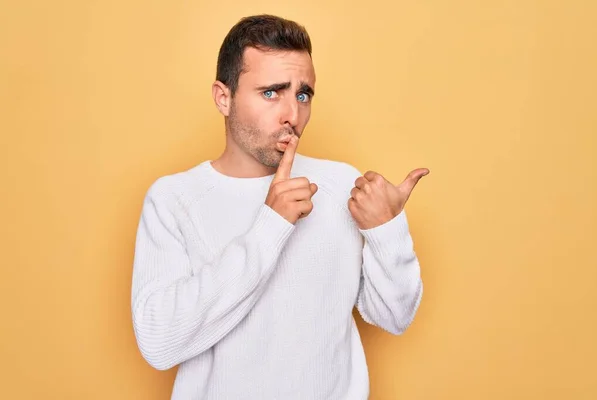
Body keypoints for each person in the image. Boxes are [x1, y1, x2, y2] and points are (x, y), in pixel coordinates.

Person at [131, 14, 429, 400]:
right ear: (224, 97)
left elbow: (394, 317)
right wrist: (269, 226)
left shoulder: (340, 185)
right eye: (271, 92)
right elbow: (159, 343)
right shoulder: (174, 199)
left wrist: (386, 230)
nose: (293, 114)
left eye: (302, 94)